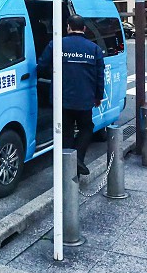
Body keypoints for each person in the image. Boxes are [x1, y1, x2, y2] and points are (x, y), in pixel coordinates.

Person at [37, 14, 105, 176]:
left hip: (62, 99)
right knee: (86, 128)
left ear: (68, 27)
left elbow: (41, 66)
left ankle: (70, 165)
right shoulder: (94, 48)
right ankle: (78, 159)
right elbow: (99, 76)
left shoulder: (56, 45)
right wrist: (98, 96)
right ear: (84, 29)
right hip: (85, 98)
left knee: (66, 131)